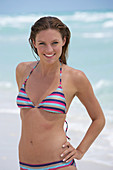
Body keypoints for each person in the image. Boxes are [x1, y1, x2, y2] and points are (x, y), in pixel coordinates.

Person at [16, 16, 105, 170]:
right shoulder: (23, 70)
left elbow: (98, 119)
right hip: (25, 164)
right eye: (42, 43)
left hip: (59, 164)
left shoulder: (75, 77)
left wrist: (80, 151)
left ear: (64, 41)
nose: (49, 50)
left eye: (55, 43)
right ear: (33, 43)